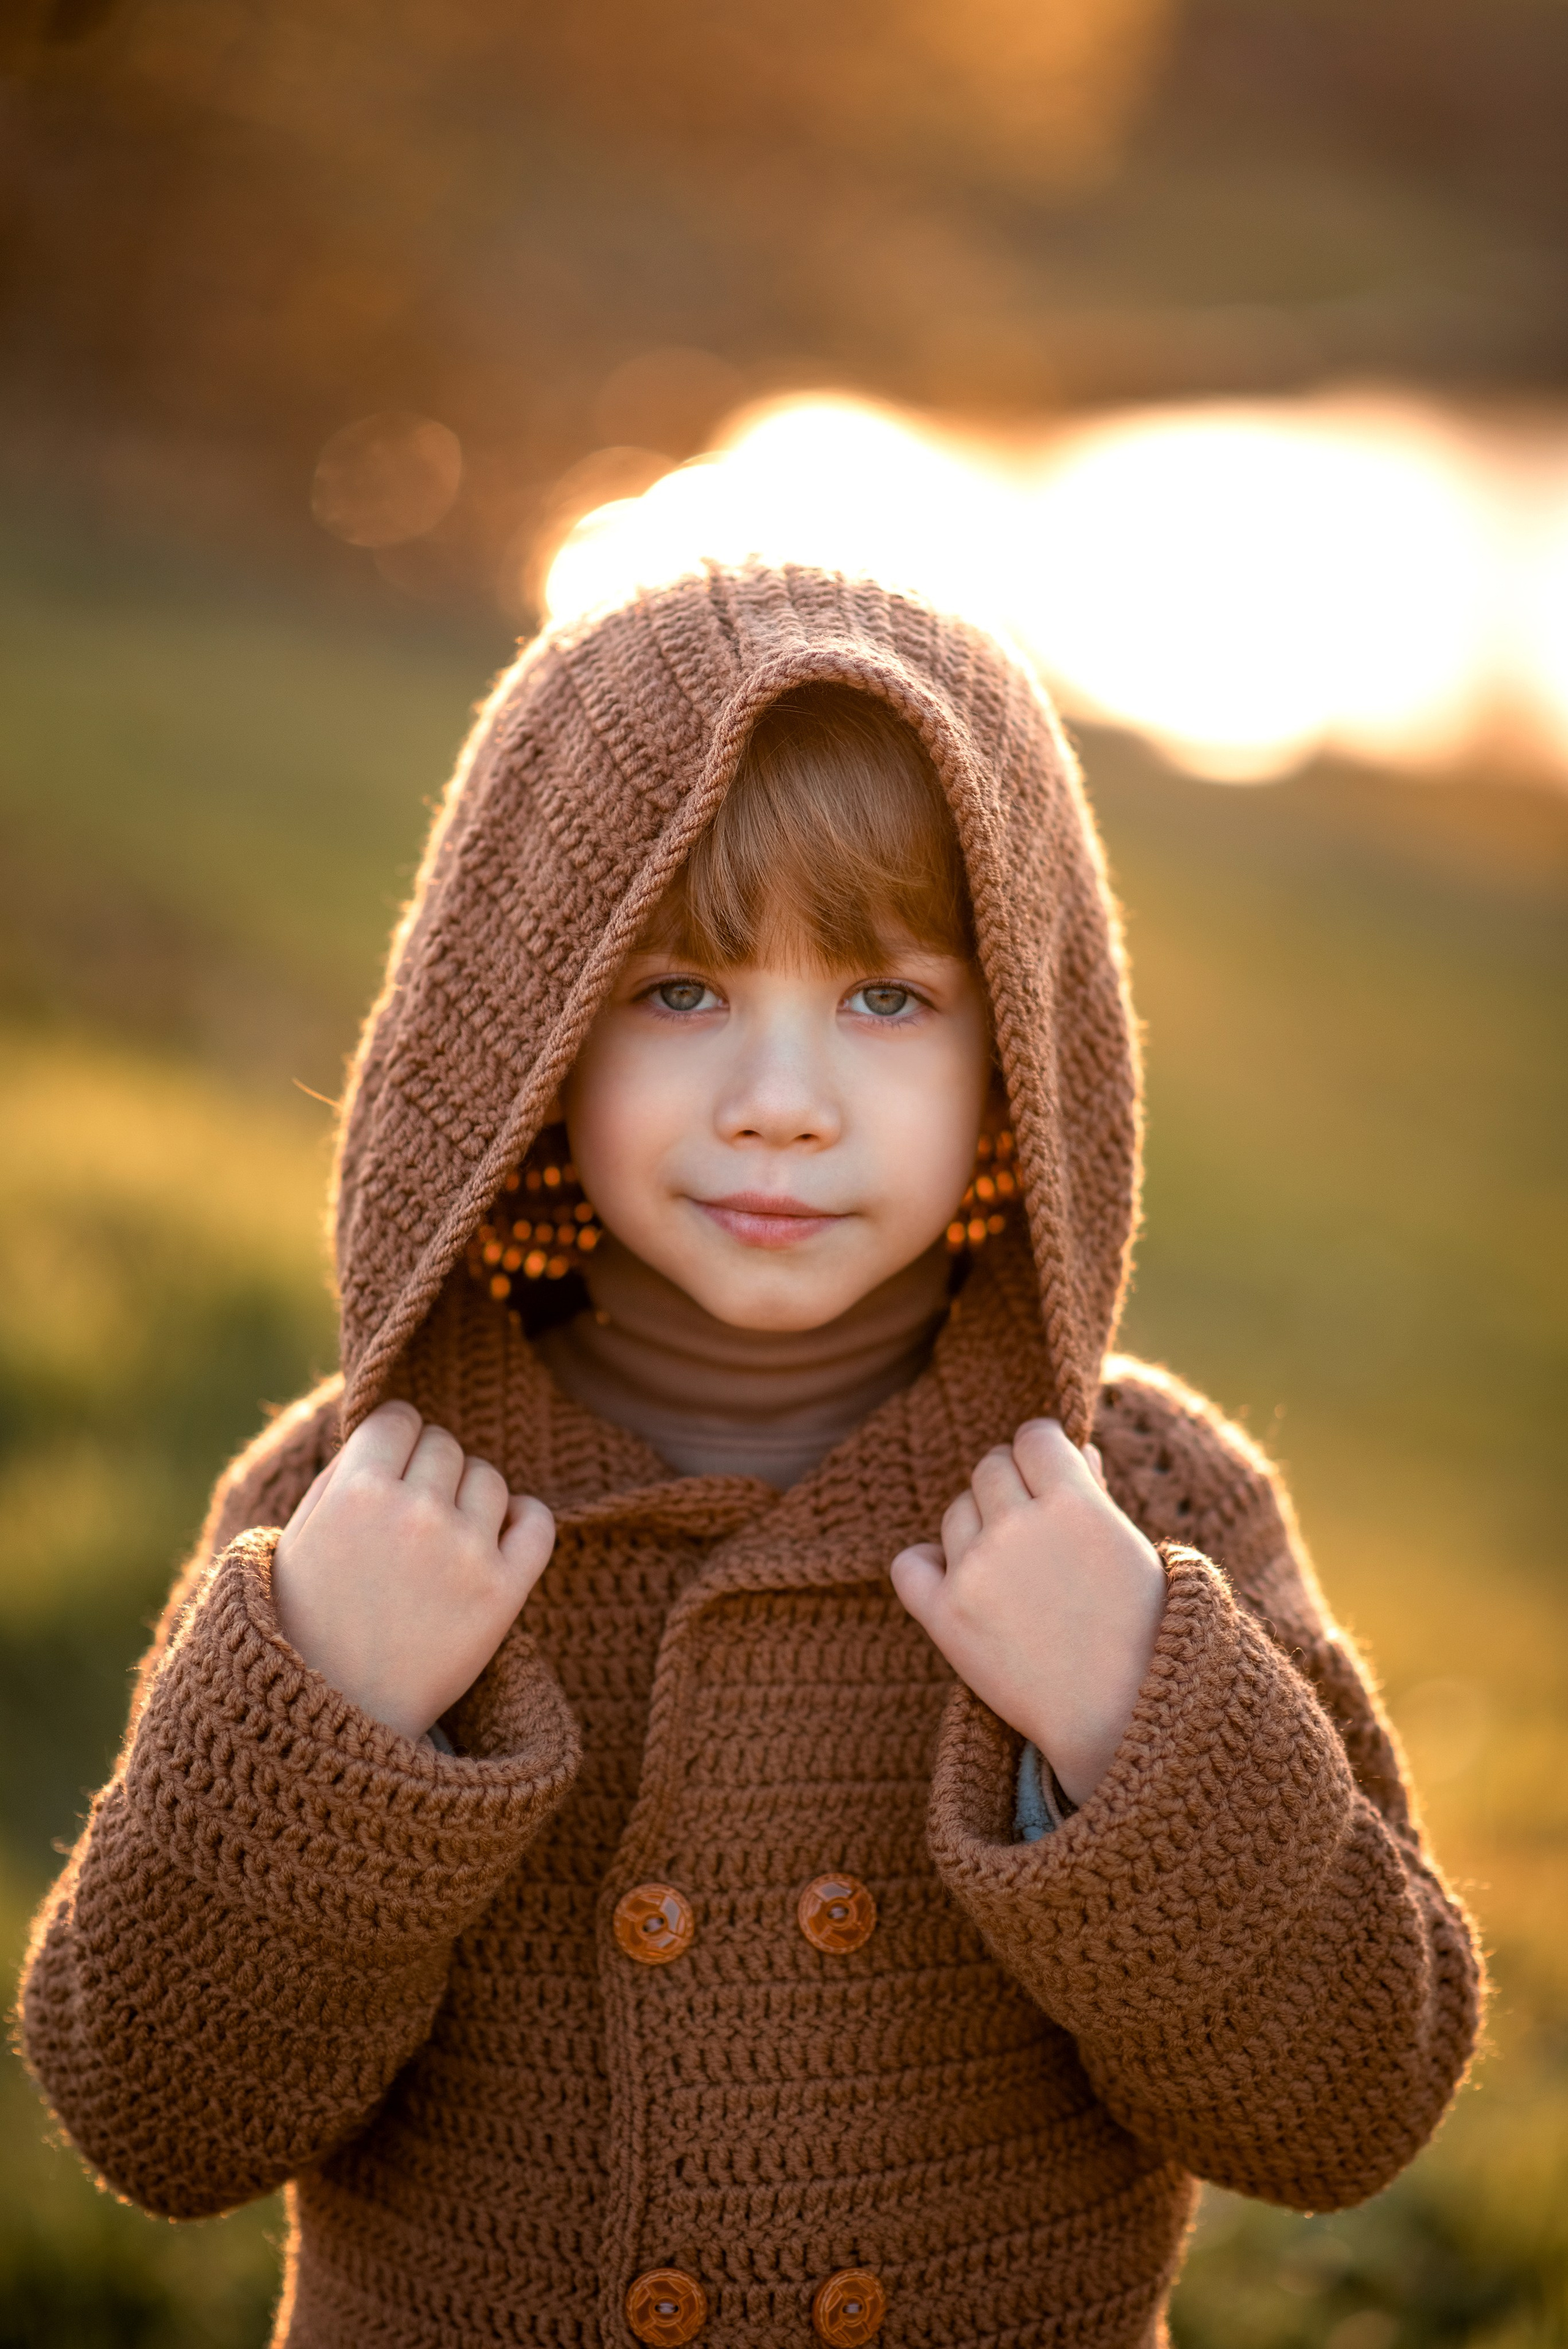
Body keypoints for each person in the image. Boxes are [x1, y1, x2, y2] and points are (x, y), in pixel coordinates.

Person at [19, 562, 1481, 2349]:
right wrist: (335, 1706)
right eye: (680, 989)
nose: (779, 1097)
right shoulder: (358, 1508)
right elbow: (152, 2117)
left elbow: (1351, 2098)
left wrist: (1133, 1717)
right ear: (534, 1031)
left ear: (1019, 1051)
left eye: (886, 998)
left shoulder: (1141, 1509)